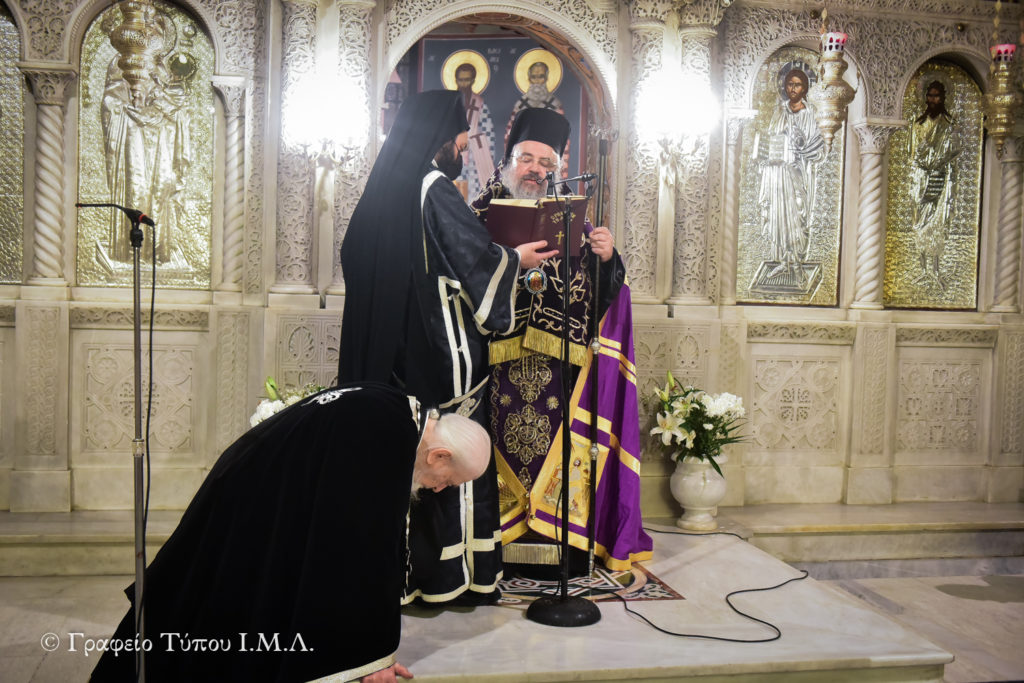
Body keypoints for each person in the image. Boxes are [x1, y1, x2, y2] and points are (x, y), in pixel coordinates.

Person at [91, 382, 491, 683]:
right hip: (250, 504)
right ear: (439, 455)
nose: (440, 489)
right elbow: (367, 557)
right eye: (448, 481)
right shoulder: (389, 439)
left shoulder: (396, 410)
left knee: (210, 597)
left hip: (248, 491)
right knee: (213, 608)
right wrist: (374, 660)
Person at [337, 90, 555, 606]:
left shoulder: (387, 184)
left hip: (394, 349)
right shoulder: (434, 185)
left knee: (406, 454)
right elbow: (473, 259)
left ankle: (400, 576)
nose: (461, 149)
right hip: (442, 347)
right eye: (459, 141)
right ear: (440, 139)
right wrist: (515, 259)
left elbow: (356, 257)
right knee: (447, 456)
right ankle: (452, 579)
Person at [472, 107, 653, 572]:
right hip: (491, 367)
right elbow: (457, 275)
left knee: (561, 457)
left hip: (558, 372)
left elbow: (604, 295)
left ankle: (559, 550)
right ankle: (493, 547)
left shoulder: (572, 218)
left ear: (559, 170)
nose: (535, 170)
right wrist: (512, 261)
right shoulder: (474, 215)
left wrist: (607, 258)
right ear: (508, 162)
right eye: (527, 159)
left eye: (546, 164)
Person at [101, 6, 190, 265]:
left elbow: (176, 103)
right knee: (136, 190)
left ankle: (157, 250)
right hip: (133, 137)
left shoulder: (164, 67)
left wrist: (166, 105)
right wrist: (130, 105)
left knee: (162, 188)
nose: (150, 30)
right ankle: (130, 251)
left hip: (161, 137)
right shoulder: (120, 63)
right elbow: (110, 99)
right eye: (146, 25)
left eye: (154, 25)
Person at [756, 67, 825, 284]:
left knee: (798, 214)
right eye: (789, 84)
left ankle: (797, 264)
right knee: (778, 215)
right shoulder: (780, 111)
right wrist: (765, 152)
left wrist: (799, 146)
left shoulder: (811, 113)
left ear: (805, 88)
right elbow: (771, 136)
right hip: (778, 174)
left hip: (798, 172)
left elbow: (817, 143)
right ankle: (785, 262)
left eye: (797, 84)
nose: (792, 89)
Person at [909, 79, 960, 288]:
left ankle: (936, 270)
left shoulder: (948, 125)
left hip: (941, 180)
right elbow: (912, 154)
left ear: (943, 98)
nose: (933, 99)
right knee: (919, 223)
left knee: (937, 224)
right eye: (930, 95)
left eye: (936, 96)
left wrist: (939, 163)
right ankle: (922, 269)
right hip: (920, 181)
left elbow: (954, 151)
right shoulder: (918, 124)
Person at [453, 62, 495, 199]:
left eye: (467, 80)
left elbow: (489, 132)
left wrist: (480, 147)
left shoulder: (479, 103)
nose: (464, 84)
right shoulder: (450, 102)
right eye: (461, 80)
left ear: (473, 81)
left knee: (474, 191)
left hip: (475, 156)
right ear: (456, 80)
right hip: (454, 152)